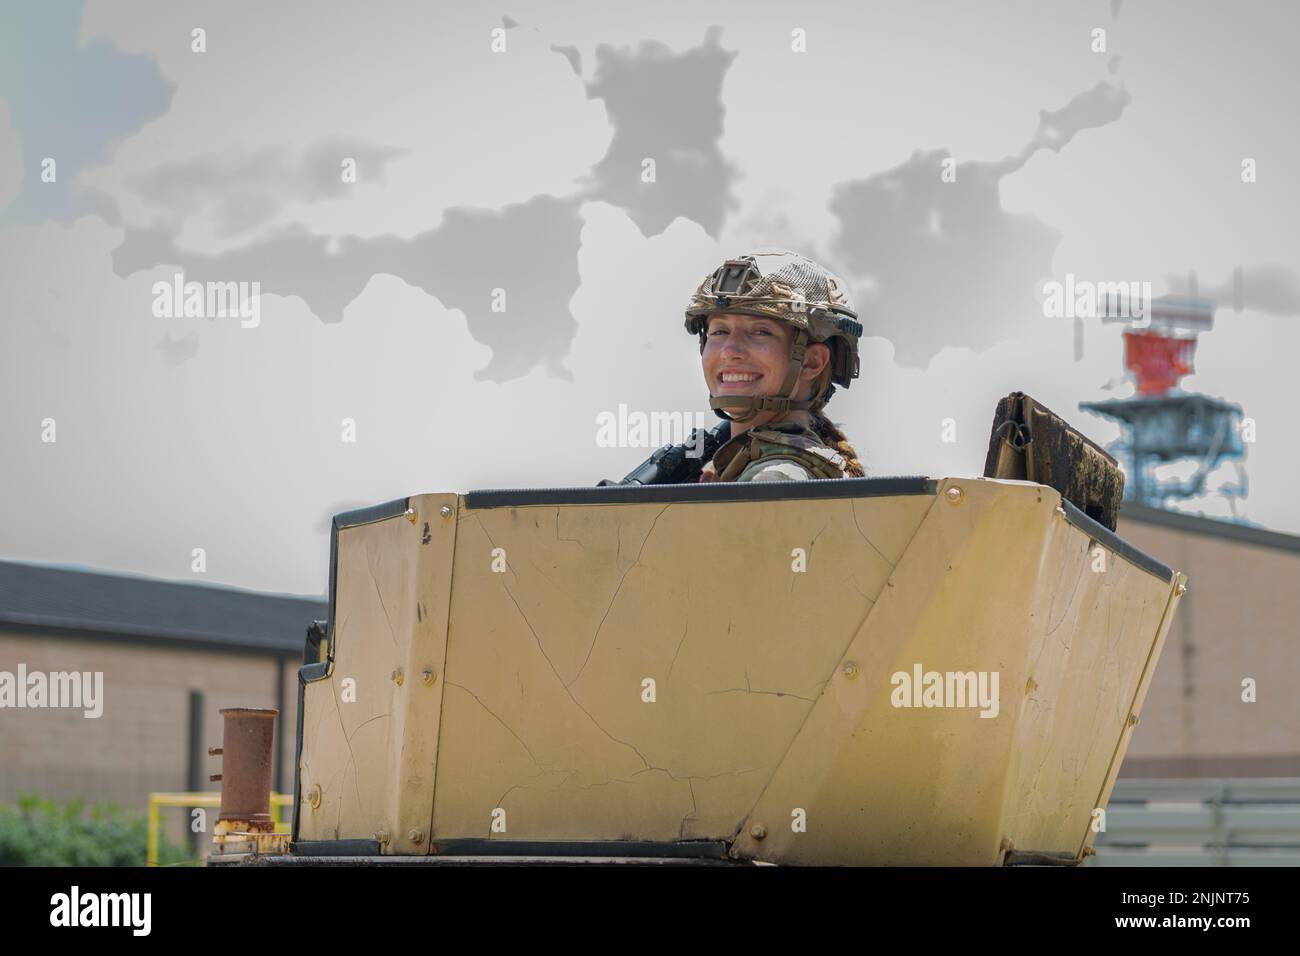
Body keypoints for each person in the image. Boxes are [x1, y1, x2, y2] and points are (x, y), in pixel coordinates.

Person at [684, 250, 867, 482]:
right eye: (719, 331)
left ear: (811, 362)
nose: (729, 351)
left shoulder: (775, 477)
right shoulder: (748, 467)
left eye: (760, 332)